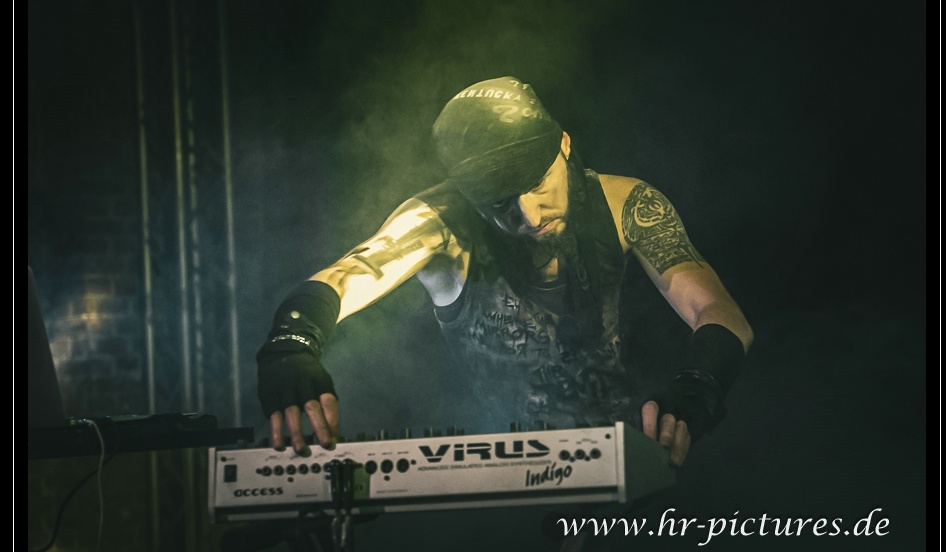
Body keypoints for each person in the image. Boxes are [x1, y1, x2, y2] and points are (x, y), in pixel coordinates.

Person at [256, 76, 754, 468]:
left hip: (623, 454)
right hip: (494, 466)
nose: (529, 217)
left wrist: (700, 383)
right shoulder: (442, 221)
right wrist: (292, 343)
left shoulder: (624, 203)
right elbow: (347, 275)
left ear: (563, 144)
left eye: (537, 185)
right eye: (500, 205)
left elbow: (716, 309)